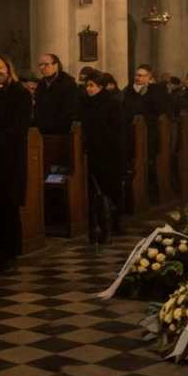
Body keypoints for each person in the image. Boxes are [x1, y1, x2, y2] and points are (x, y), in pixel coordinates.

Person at [0, 54, 30, 274]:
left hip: (11, 157)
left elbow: (18, 127)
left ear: (9, 69)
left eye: (0, 67)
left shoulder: (19, 93)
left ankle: (11, 253)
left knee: (9, 206)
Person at [80, 69, 125, 244]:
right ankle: (96, 227)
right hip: (92, 153)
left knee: (108, 190)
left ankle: (109, 227)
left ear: (100, 86)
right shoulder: (85, 103)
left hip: (109, 153)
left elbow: (117, 132)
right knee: (95, 192)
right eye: (87, 86)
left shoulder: (112, 104)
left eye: (92, 86)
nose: (89, 89)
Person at [34, 53, 78, 134]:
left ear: (56, 65)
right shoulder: (41, 83)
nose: (42, 68)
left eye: (46, 64)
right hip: (42, 130)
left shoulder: (68, 83)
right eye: (40, 65)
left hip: (61, 131)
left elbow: (69, 110)